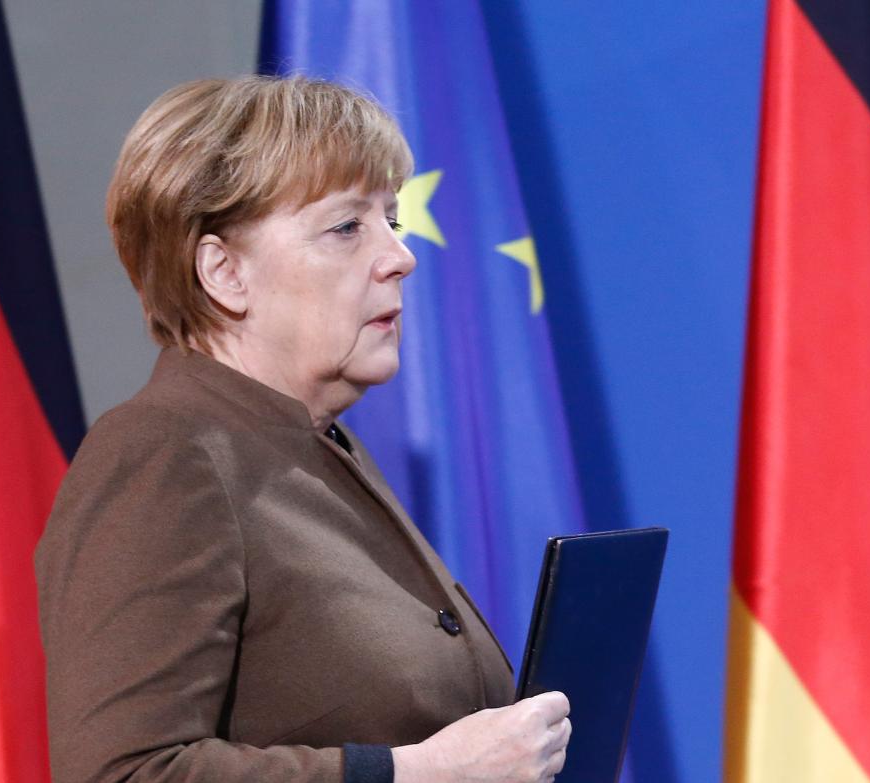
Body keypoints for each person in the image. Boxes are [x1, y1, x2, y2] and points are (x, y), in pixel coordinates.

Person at [35, 75, 570, 783]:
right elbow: (122, 772)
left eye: (392, 220)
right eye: (347, 226)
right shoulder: (165, 452)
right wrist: (414, 772)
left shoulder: (317, 447)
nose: (400, 256)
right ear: (224, 272)